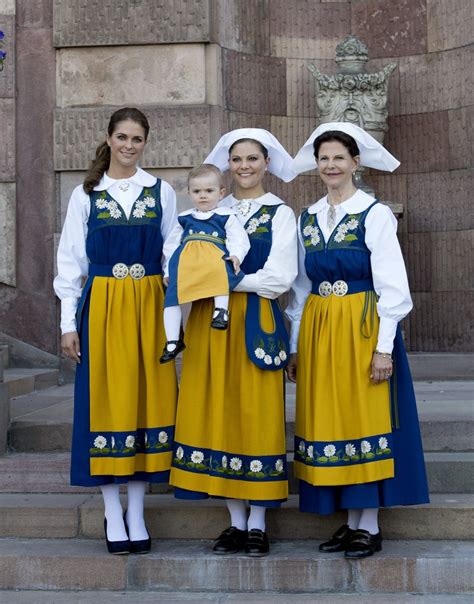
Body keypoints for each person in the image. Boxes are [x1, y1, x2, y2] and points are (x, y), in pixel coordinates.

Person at [286, 122, 429, 559]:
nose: (331, 165)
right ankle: (349, 522)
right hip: (319, 327)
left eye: (339, 158)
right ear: (317, 165)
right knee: (331, 419)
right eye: (324, 158)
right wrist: (295, 344)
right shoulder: (307, 217)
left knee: (363, 417)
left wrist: (384, 346)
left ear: (355, 162)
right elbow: (300, 288)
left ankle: (369, 524)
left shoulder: (374, 213)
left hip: (362, 326)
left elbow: (394, 288)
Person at [54, 107, 178, 555]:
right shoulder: (85, 194)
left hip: (147, 303)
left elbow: (172, 250)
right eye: (122, 137)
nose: (129, 145)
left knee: (147, 398)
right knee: (106, 400)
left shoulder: (160, 190)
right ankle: (111, 509)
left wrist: (172, 308)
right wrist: (69, 323)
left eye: (137, 139)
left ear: (146, 143)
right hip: (103, 304)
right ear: (108, 139)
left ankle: (138, 511)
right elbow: (70, 262)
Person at [169, 128, 297, 557]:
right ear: (228, 166)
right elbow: (179, 261)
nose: (244, 166)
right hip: (210, 319)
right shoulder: (207, 208)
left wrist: (225, 279)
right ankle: (235, 521)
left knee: (256, 410)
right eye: (237, 159)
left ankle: (258, 520)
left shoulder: (279, 212)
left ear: (266, 163)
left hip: (255, 317)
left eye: (252, 159)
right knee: (216, 410)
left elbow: (281, 277)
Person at [160, 164, 250, 363]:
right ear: (189, 193)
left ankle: (221, 312)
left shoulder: (225, 216)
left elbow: (239, 239)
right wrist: (168, 269)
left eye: (209, 191)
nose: (203, 196)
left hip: (213, 259)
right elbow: (171, 245)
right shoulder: (184, 218)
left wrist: (236, 255)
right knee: (172, 297)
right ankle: (173, 340)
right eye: (197, 191)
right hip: (186, 263)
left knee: (220, 269)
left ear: (221, 192)